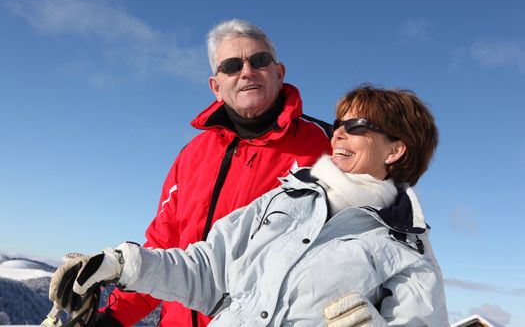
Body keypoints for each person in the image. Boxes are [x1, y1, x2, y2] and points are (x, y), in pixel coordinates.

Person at [49, 85, 448, 326]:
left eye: (357, 126)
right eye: (339, 122)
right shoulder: (286, 198)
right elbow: (206, 270)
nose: (339, 133)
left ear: (396, 149)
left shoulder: (406, 250)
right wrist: (122, 265)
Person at [91, 19, 331, 327]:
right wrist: (112, 318)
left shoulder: (329, 148)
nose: (247, 72)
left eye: (259, 60)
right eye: (231, 66)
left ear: (279, 72)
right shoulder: (191, 157)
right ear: (216, 87)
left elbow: (376, 239)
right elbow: (163, 249)